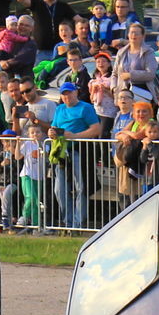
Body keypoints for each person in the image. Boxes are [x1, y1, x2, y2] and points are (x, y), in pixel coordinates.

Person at [50, 81, 102, 229]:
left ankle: (78, 223)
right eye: (64, 94)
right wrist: (51, 132)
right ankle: (68, 222)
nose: (67, 96)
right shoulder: (59, 109)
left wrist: (75, 136)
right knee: (59, 188)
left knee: (81, 187)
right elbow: (54, 126)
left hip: (79, 150)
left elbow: (96, 129)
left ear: (76, 92)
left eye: (69, 93)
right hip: (61, 152)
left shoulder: (86, 108)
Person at [15, 0, 80, 57]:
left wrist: (74, 37)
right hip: (41, 50)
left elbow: (79, 20)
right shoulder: (37, 4)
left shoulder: (63, 6)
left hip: (60, 49)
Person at [111, 22, 158, 99]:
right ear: (128, 35)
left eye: (136, 33)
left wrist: (131, 75)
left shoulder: (148, 52)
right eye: (131, 32)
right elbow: (115, 73)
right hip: (122, 95)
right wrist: (114, 88)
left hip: (141, 95)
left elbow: (151, 74)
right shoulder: (121, 52)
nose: (133, 35)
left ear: (142, 36)